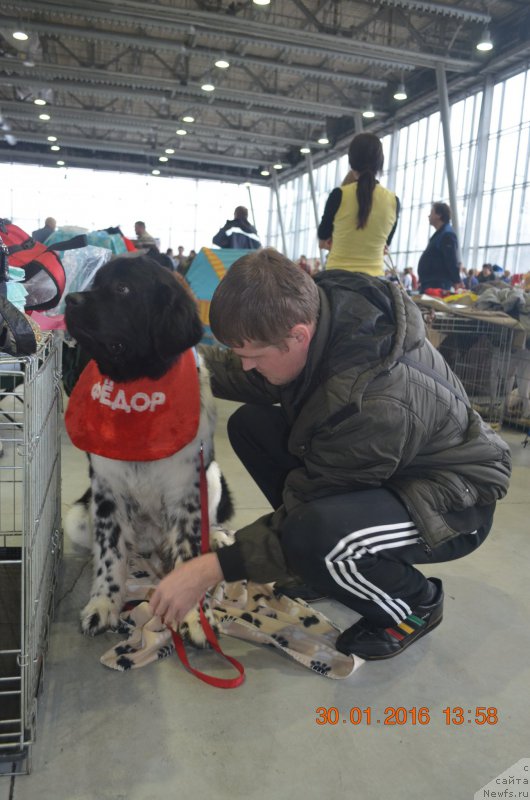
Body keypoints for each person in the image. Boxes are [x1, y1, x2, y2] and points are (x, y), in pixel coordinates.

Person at [149, 248, 511, 661]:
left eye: (252, 355)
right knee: (251, 426)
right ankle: (321, 567)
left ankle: (414, 605)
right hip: (389, 466)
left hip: (455, 501)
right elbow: (263, 378)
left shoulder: (371, 401)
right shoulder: (321, 319)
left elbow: (309, 503)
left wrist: (210, 568)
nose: (245, 366)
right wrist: (174, 369)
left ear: (298, 336)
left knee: (312, 533)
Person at [317, 133, 400, 276]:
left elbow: (323, 234)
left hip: (336, 277)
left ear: (351, 161)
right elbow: (386, 244)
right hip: (375, 281)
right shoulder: (393, 200)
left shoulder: (339, 195)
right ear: (380, 162)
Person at [417, 202, 461, 292]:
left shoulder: (447, 234)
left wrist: (456, 280)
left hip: (437, 284)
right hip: (431, 282)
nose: (428, 216)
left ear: (439, 215)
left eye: (431, 213)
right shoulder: (441, 234)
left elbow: (451, 259)